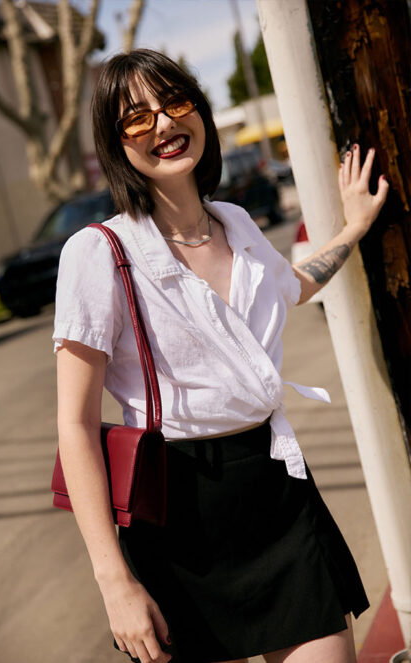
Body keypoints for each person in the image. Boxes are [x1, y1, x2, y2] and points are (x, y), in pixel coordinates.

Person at [54, 50, 387, 663]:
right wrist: (114, 582)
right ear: (114, 141)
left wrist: (352, 229)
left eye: (174, 104)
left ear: (200, 114)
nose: (161, 125)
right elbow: (74, 426)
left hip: (276, 488)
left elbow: (290, 286)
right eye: (136, 118)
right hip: (177, 518)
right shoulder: (98, 252)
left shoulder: (234, 221)